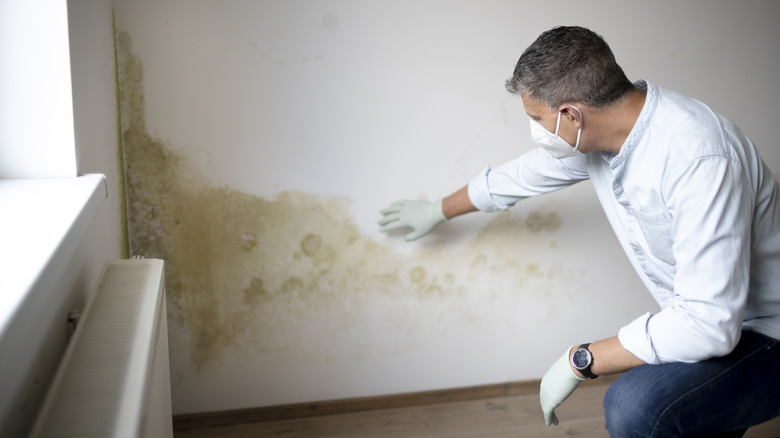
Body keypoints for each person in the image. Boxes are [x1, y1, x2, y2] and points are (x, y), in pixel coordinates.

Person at [377, 26, 780, 437]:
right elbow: (519, 177)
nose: (535, 130)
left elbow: (706, 325)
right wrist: (436, 210)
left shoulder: (696, 158)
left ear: (571, 114)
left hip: (767, 332)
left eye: (536, 118)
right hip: (711, 326)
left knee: (635, 405)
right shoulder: (603, 138)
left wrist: (581, 359)